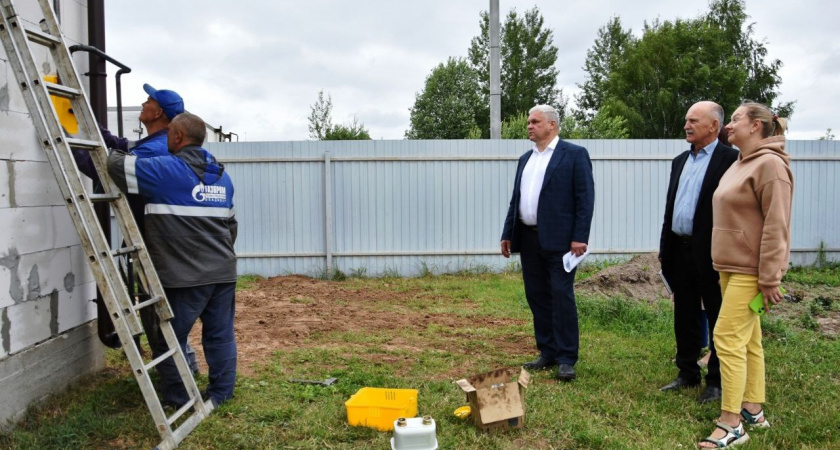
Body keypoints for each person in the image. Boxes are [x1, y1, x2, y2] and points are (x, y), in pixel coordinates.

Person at [107, 112, 238, 408]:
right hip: (223, 272)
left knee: (167, 338)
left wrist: (121, 147)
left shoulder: (166, 170)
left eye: (168, 134)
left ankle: (180, 398)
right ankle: (222, 393)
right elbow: (231, 227)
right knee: (220, 335)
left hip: (183, 277)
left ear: (177, 136)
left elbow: (116, 165)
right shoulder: (222, 177)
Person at [72, 84, 199, 372]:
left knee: (159, 313)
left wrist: (68, 140)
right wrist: (83, 117)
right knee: (161, 310)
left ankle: (178, 374)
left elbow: (106, 172)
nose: (143, 104)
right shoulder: (156, 143)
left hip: (154, 243)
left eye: (148, 100)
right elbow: (121, 146)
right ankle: (180, 369)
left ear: (159, 112)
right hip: (154, 238)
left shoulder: (155, 149)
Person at [698, 102, 793, 448]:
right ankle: (752, 409)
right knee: (749, 340)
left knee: (725, 339)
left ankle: (731, 423)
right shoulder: (741, 163)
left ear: (756, 126)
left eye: (736, 119)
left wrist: (770, 278)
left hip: (752, 272)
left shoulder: (771, 166)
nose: (729, 125)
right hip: (729, 267)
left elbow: (776, 226)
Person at [501, 105, 595, 381]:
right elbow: (516, 200)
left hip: (562, 242)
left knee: (561, 295)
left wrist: (580, 236)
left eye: (535, 121)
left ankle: (566, 358)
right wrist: (508, 233)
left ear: (552, 125)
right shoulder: (525, 159)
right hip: (529, 239)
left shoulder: (574, 154)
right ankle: (548, 351)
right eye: (528, 122)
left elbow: (585, 198)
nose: (529, 126)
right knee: (537, 296)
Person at [659, 101, 738, 403]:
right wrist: (665, 247)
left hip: (713, 251)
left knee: (718, 314)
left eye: (693, 120)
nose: (686, 126)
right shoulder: (680, 160)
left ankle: (716, 381)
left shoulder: (731, 160)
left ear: (714, 126)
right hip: (679, 247)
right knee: (685, 313)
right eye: (686, 120)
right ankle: (687, 371)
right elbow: (671, 207)